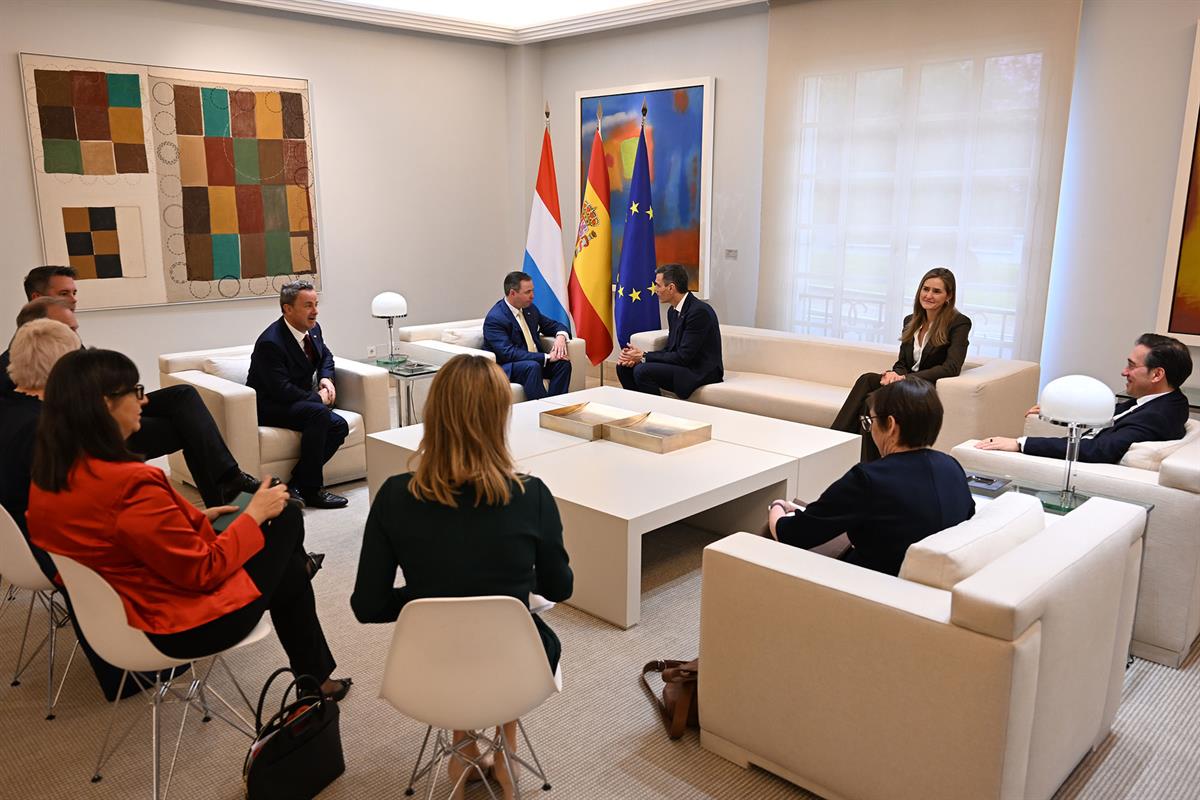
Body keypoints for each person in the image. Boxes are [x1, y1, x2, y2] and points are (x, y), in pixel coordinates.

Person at [25, 348, 351, 702]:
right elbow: (204, 571)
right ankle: (312, 659)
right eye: (135, 391)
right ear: (105, 405)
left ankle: (315, 673)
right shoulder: (130, 484)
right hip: (178, 627)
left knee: (284, 563)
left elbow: (123, 538)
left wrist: (191, 520)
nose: (144, 401)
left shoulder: (49, 479)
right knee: (284, 514)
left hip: (113, 616)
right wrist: (254, 515)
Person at [351, 354, 573, 800]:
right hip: (517, 666)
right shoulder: (531, 495)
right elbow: (559, 587)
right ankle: (506, 750)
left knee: (456, 636)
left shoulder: (394, 496)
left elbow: (368, 606)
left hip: (427, 666)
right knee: (512, 634)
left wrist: (426, 597)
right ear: (499, 418)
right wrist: (510, 583)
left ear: (433, 415)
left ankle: (463, 746)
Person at [1, 321, 164, 701]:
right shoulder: (47, 428)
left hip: (19, 547)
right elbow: (94, 512)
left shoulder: (10, 410)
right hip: (57, 553)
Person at [7, 268, 262, 507]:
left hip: (103, 409)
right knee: (188, 428)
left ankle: (227, 488)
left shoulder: (64, 343)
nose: (73, 300)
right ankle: (226, 497)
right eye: (64, 293)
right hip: (96, 430)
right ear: (37, 298)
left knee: (183, 397)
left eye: (74, 293)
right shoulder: (25, 363)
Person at [767, 377, 975, 576]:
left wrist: (778, 506)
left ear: (891, 425)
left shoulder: (869, 479)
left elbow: (791, 535)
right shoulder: (952, 467)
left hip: (866, 584)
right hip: (922, 585)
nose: (870, 429)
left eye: (870, 421)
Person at [975, 333, 1193, 463]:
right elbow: (1116, 414)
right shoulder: (1163, 400)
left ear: (1157, 374)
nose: (1124, 372)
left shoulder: (1159, 416)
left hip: (1078, 466)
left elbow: (1099, 450)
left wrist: (1020, 444)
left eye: (1132, 366)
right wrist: (1059, 409)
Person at [830, 267, 971, 462]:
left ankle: (839, 447)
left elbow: (951, 367)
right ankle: (843, 447)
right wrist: (894, 374)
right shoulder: (911, 321)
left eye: (936, 291)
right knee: (868, 384)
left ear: (949, 296)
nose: (929, 295)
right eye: (925, 289)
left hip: (924, 387)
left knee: (871, 398)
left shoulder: (959, 323)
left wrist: (905, 378)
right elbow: (902, 362)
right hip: (905, 382)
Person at [246, 280, 349, 509]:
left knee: (339, 426)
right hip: (270, 405)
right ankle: (312, 490)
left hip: (297, 400)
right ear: (288, 308)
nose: (315, 311)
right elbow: (281, 389)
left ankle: (296, 485)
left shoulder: (313, 330)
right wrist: (318, 398)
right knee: (319, 413)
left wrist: (325, 378)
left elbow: (326, 356)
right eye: (308, 305)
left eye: (316, 304)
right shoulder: (271, 342)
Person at [616, 263, 723, 399]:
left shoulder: (699, 312)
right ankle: (638, 407)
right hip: (683, 364)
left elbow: (684, 356)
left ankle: (657, 409)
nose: (655, 289)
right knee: (623, 367)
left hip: (699, 370)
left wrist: (643, 356)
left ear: (671, 288)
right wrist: (637, 356)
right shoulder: (673, 311)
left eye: (658, 285)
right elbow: (671, 349)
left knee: (642, 371)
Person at [482, 271, 572, 400]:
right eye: (527, 292)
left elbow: (553, 325)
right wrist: (546, 357)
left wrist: (561, 337)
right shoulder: (495, 318)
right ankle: (541, 407)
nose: (532, 296)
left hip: (533, 361)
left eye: (532, 291)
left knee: (563, 364)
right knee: (532, 366)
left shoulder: (530, 309)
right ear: (513, 293)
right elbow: (508, 353)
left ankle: (556, 405)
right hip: (509, 366)